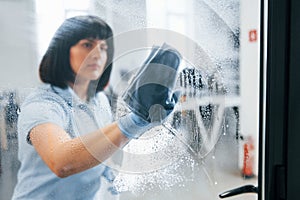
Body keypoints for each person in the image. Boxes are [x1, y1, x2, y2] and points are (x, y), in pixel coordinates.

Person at [12, 15, 180, 200]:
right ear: (62, 50)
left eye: (103, 47)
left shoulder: (98, 100)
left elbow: (103, 150)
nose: (98, 54)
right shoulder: (43, 104)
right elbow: (61, 162)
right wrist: (133, 121)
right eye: (87, 45)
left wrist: (144, 120)